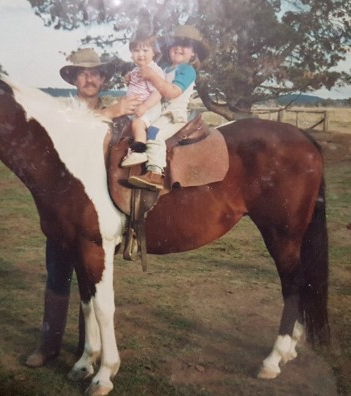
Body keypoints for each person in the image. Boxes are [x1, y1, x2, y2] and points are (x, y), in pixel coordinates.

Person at [25, 48, 140, 368]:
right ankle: (48, 345)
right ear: (74, 79)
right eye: (83, 73)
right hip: (62, 211)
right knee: (57, 277)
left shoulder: (118, 117)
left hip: (97, 211)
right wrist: (111, 112)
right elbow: (67, 132)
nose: (89, 79)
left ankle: (85, 348)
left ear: (103, 78)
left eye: (96, 73)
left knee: (91, 277)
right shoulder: (62, 111)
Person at [128, 25, 211, 190]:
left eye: (185, 45)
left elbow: (172, 92)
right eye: (175, 44)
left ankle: (155, 172)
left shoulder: (187, 70)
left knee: (154, 133)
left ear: (193, 53)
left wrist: (152, 77)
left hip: (173, 114)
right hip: (159, 110)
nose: (179, 48)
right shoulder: (165, 69)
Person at [121, 34, 165, 168]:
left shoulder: (153, 71)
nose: (141, 54)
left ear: (154, 53)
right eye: (136, 51)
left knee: (138, 124)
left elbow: (158, 92)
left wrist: (145, 106)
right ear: (131, 55)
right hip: (137, 107)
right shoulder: (136, 70)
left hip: (150, 108)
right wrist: (128, 78)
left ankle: (139, 150)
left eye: (145, 51)